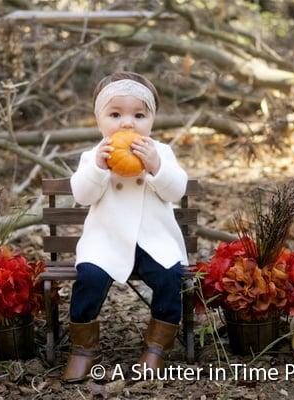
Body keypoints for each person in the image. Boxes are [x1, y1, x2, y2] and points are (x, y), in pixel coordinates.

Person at [62, 71, 189, 382]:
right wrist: (98, 169)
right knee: (88, 277)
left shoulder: (161, 153)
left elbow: (177, 190)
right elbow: (82, 194)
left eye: (139, 115)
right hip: (106, 242)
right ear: (99, 120)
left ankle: (157, 347)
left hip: (152, 241)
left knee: (170, 277)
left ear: (152, 121)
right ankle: (83, 349)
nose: (128, 123)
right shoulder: (92, 156)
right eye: (115, 114)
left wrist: (156, 166)